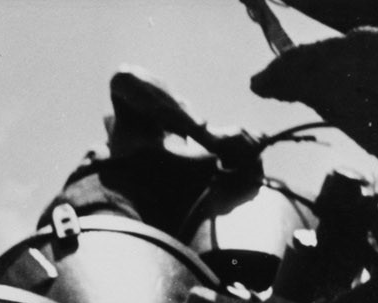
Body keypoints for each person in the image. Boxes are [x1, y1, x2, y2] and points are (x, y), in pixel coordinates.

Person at [52, 69, 263, 235]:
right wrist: (207, 136)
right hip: (86, 225)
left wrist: (244, 150)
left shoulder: (188, 169)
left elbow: (242, 179)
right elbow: (125, 79)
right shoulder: (115, 152)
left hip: (148, 261)